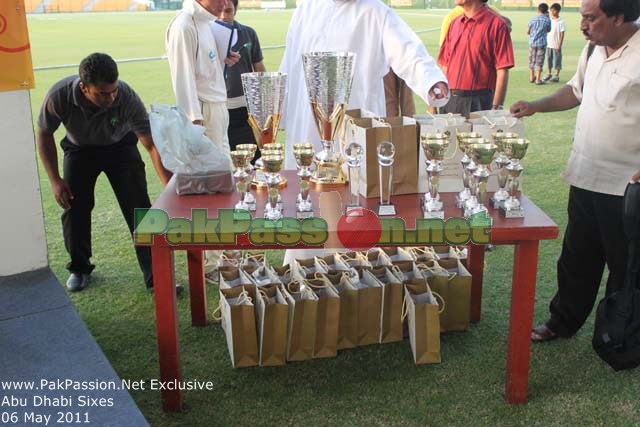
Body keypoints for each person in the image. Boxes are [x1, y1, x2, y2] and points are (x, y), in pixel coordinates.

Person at [510, 0, 640, 342]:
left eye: (590, 18)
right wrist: (536, 106)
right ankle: (562, 322)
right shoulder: (593, 50)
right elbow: (574, 91)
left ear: (619, 17)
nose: (582, 24)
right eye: (582, 17)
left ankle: (618, 333)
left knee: (623, 265)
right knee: (576, 258)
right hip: (586, 174)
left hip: (626, 185)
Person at [37, 53, 173, 293]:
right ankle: (79, 268)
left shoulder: (127, 96)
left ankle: (155, 274)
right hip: (79, 150)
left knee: (139, 209)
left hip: (120, 147)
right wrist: (55, 180)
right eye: (102, 93)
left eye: (113, 91)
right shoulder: (59, 96)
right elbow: (45, 133)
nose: (111, 98)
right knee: (74, 208)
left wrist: (168, 186)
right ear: (84, 88)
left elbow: (151, 144)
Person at [278, 0, 449, 169]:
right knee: (305, 181)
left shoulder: (375, 11)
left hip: (354, 122)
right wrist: (278, 111)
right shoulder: (305, 10)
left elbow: (408, 51)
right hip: (305, 121)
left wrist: (431, 80)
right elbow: (289, 64)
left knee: (354, 182)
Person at [165, 0, 240, 278]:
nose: (224, 2)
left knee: (223, 186)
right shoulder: (184, 26)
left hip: (218, 110)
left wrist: (223, 58)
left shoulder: (208, 23)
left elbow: (204, 69)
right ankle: (209, 265)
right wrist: (194, 127)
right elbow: (183, 80)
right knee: (208, 189)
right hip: (203, 115)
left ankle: (225, 254)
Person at [437, 0, 514, 117]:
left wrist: (496, 107)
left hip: (479, 102)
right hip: (449, 100)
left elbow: (502, 69)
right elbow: (444, 65)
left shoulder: (497, 25)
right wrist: (435, 102)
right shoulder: (454, 24)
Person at [218, 0, 266, 160]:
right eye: (222, 11)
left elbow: (259, 67)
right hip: (219, 110)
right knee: (225, 161)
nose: (224, 15)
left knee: (252, 159)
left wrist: (265, 101)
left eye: (229, 11)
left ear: (236, 9)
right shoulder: (208, 35)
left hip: (247, 110)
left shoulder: (248, 33)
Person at [527, 3, 552, 85]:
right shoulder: (547, 20)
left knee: (531, 60)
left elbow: (528, 31)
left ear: (538, 10)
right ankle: (538, 80)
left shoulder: (533, 19)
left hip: (532, 43)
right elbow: (548, 30)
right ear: (546, 10)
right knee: (539, 61)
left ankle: (531, 78)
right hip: (542, 43)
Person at [542, 3, 566, 83]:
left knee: (557, 60)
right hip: (549, 44)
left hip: (556, 44)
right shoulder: (549, 20)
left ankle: (556, 75)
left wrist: (559, 45)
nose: (552, 12)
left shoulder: (561, 21)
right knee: (549, 59)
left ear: (558, 11)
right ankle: (549, 73)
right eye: (551, 10)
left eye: (553, 10)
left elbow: (562, 34)